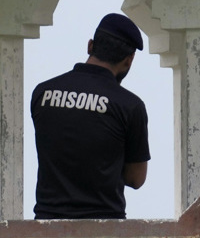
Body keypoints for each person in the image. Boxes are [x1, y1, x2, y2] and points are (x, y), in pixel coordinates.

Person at [30, 13, 150, 219]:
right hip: (104, 226)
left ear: (90, 46)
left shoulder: (42, 93)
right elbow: (136, 178)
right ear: (129, 60)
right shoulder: (130, 105)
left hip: (47, 222)